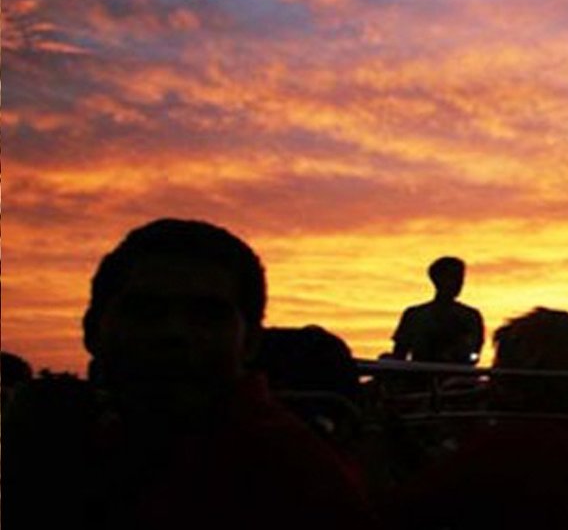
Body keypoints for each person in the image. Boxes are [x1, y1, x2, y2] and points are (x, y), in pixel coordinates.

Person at [1, 218, 375, 529]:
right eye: (146, 311)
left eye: (207, 316)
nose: (174, 333)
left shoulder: (294, 477)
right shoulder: (58, 439)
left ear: (250, 343)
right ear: (92, 330)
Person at [385, 308, 568, 529]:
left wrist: (384, 445)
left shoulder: (518, 444)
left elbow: (404, 510)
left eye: (501, 362)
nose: (493, 375)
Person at [391, 256, 485, 365]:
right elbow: (400, 354)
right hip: (421, 373)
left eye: (460, 277)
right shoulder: (414, 316)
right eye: (452, 277)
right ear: (437, 280)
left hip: (458, 374)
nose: (458, 282)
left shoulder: (471, 317)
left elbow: (475, 353)